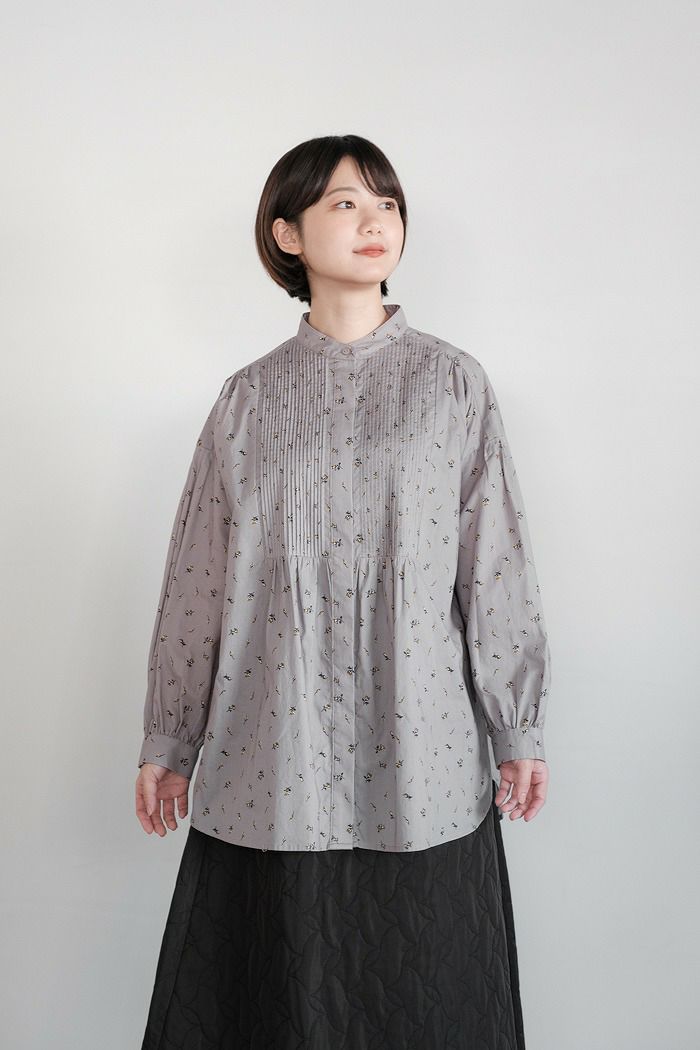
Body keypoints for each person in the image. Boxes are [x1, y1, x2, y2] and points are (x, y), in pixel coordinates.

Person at [135, 134, 551, 1050]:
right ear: (287, 233)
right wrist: (170, 735)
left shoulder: (452, 384)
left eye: (387, 204)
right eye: (345, 203)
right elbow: (199, 578)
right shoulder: (246, 402)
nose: (376, 222)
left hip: (423, 755)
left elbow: (495, 564)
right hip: (273, 755)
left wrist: (515, 723)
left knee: (431, 1003)